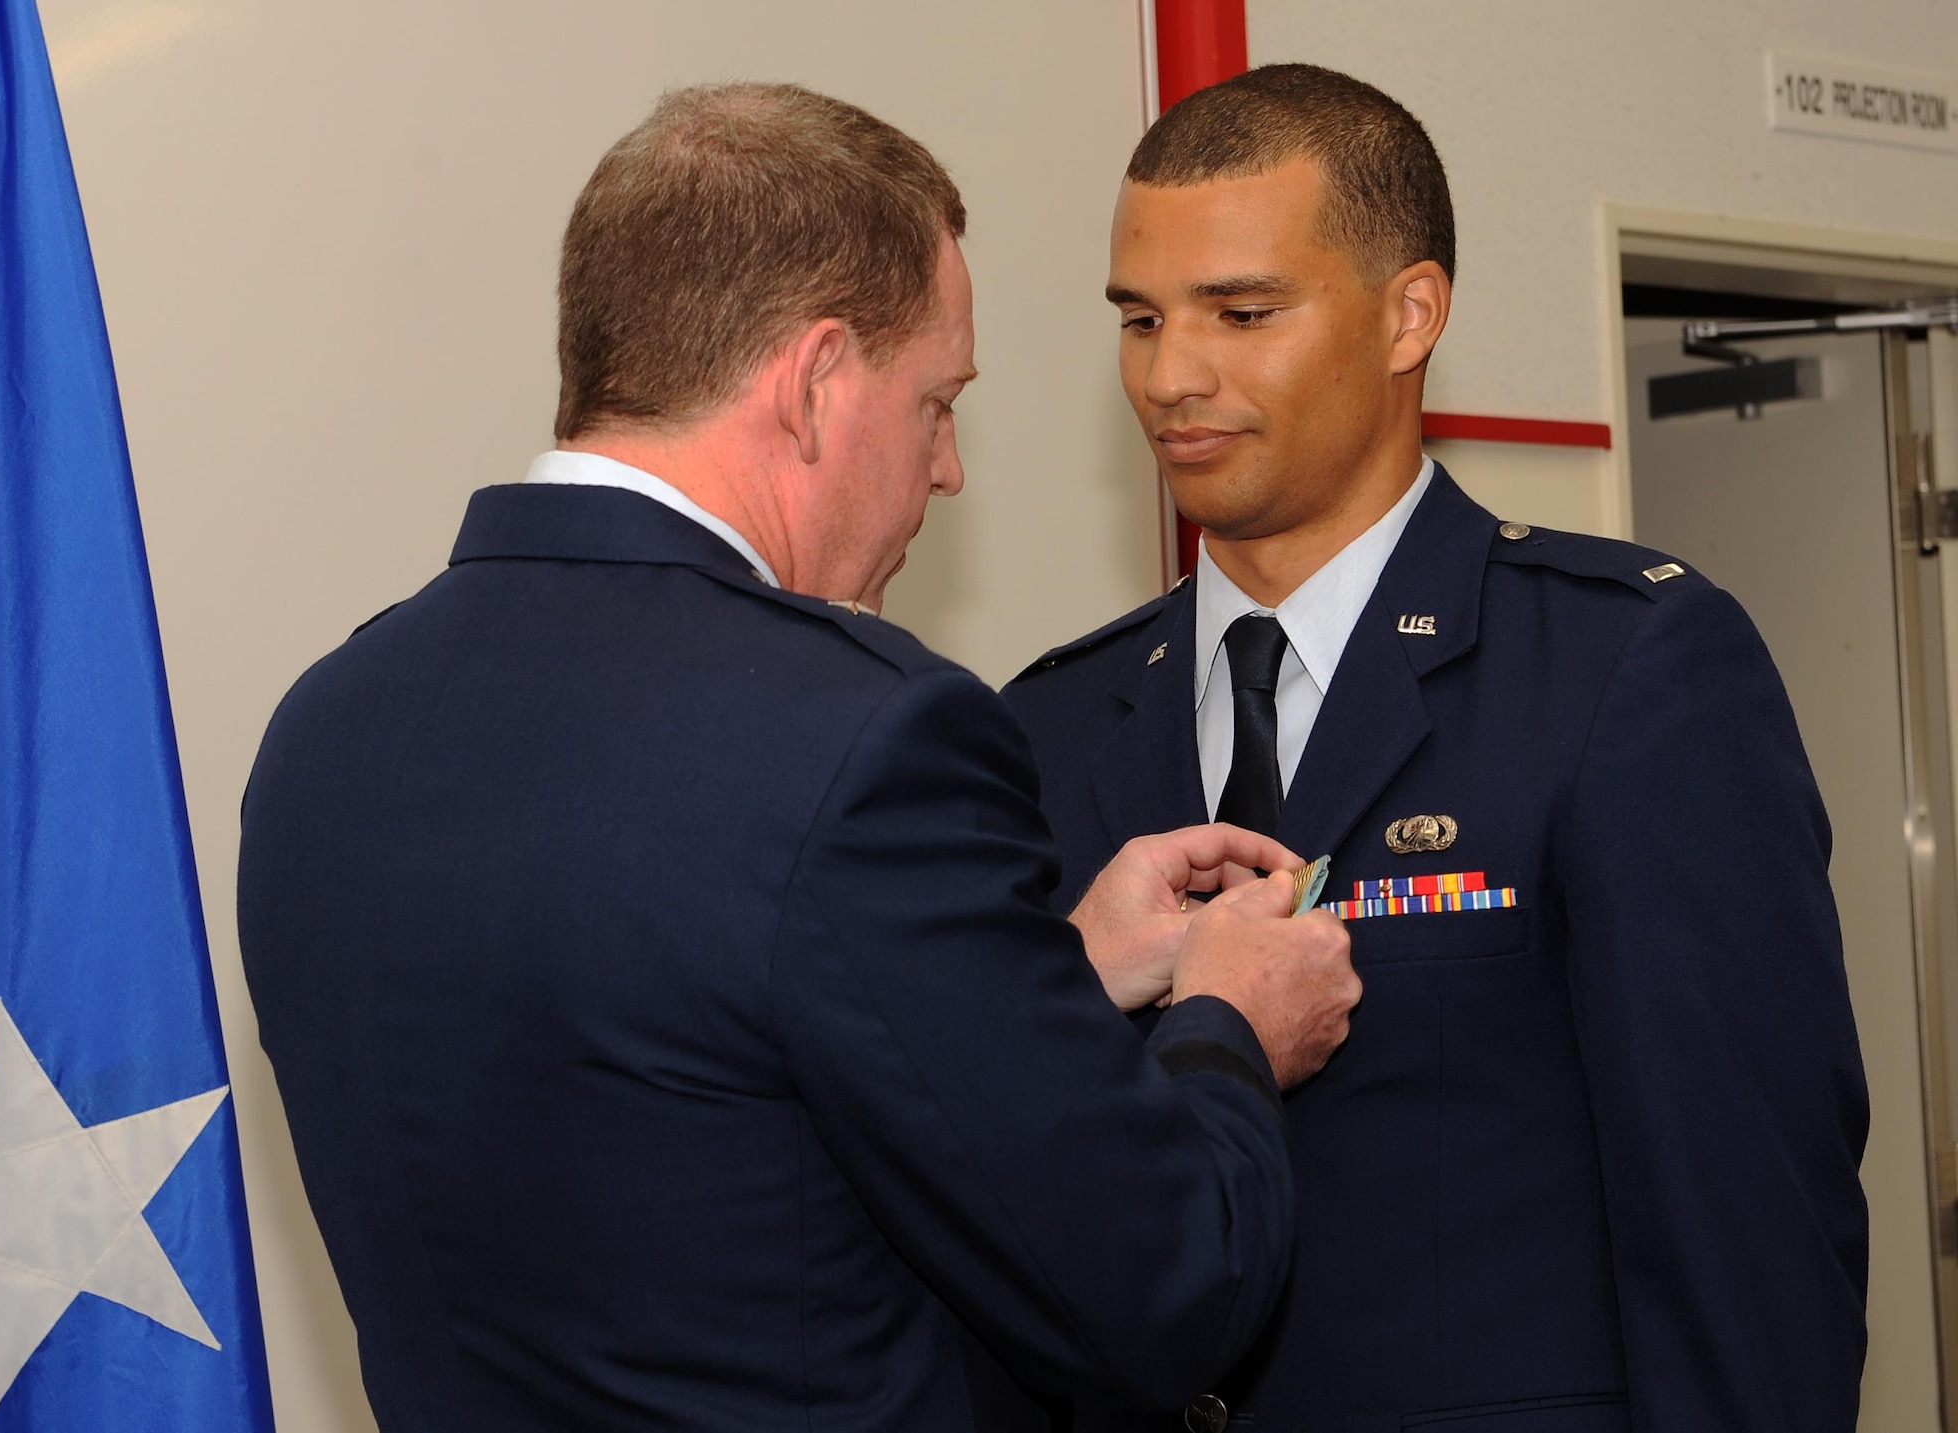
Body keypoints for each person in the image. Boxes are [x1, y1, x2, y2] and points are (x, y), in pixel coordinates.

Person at [237, 83, 1361, 1433]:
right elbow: (1166, 1285)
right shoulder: (864, 735)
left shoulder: (330, 724)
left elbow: (674, 1088)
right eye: (937, 401)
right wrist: (1226, 1021)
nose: (946, 470)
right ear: (820, 380)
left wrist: (1045, 975)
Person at [1005, 64, 1870, 1433]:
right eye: (1140, 318)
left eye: (1243, 312)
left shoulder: (1622, 672)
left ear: (1410, 313)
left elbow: (1744, 1239)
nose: (1172, 375)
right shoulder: (1051, 724)